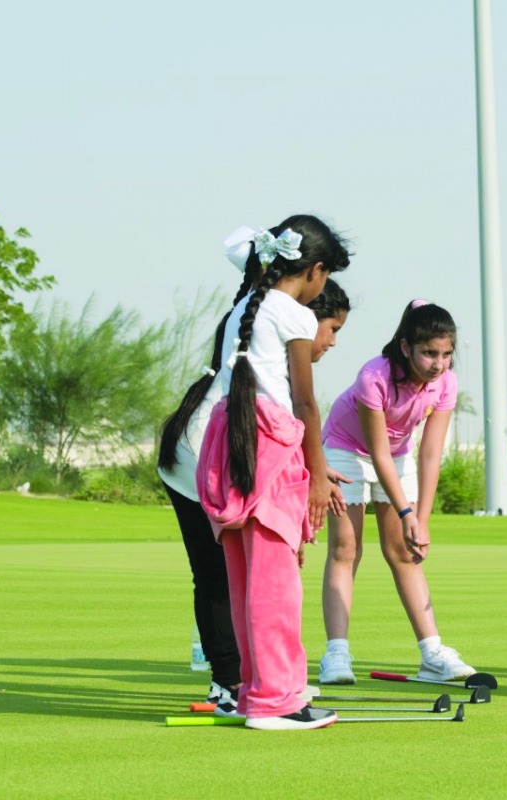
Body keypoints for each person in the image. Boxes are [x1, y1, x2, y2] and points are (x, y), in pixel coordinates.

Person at [158, 238, 350, 718]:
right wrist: (317, 477)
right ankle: (276, 701)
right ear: (316, 269)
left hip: (228, 444)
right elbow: (304, 403)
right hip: (268, 445)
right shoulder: (295, 315)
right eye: (325, 276)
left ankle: (249, 691)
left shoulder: (247, 304)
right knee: (275, 585)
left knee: (242, 580)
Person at [317, 300, 477, 685]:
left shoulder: (445, 382)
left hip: (398, 455)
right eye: (429, 353)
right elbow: (377, 452)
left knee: (406, 552)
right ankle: (336, 655)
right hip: (345, 449)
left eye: (446, 354)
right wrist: (407, 513)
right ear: (406, 347)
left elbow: (431, 453)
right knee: (346, 548)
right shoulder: (374, 375)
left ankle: (432, 654)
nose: (438, 363)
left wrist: (420, 520)